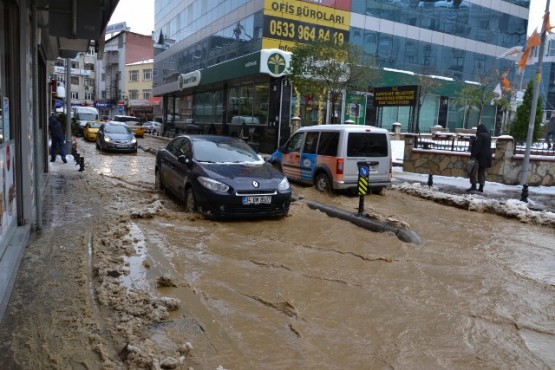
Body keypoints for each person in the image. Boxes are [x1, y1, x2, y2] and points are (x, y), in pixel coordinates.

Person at [467, 124, 491, 192]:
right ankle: (481, 187)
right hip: (487, 157)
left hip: (479, 157)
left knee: (472, 171)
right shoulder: (488, 136)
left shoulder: (480, 136)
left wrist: (473, 156)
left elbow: (478, 147)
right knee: (482, 172)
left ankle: (473, 185)